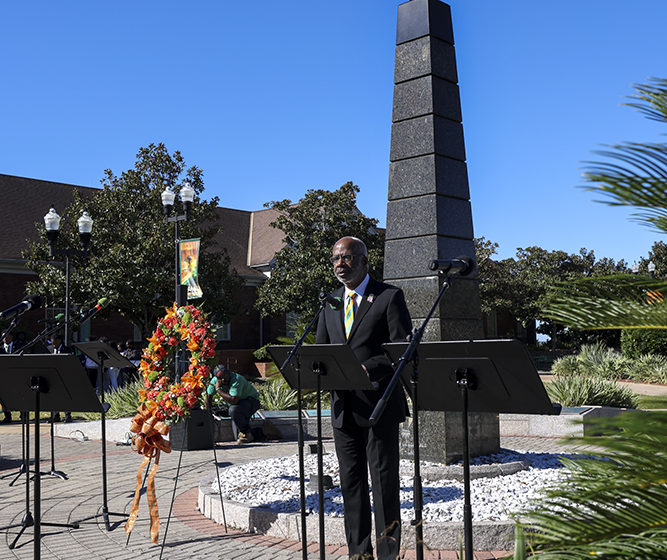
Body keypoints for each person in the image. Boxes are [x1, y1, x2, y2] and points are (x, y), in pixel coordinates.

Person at [316, 236, 412, 560]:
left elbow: (401, 352)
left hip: (379, 408)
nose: (340, 264)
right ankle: (360, 553)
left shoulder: (388, 297)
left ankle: (388, 554)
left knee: (384, 487)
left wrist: (367, 368)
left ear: (364, 260)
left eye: (347, 257)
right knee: (351, 485)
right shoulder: (329, 303)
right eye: (335, 258)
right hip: (344, 409)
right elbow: (322, 354)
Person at [205, 364, 261, 444]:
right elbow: (208, 397)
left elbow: (233, 400)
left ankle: (246, 433)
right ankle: (260, 432)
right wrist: (208, 415)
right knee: (218, 410)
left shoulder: (236, 379)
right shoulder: (215, 381)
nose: (223, 379)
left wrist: (218, 390)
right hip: (238, 403)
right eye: (220, 378)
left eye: (225, 376)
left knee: (233, 410)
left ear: (228, 372)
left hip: (251, 401)